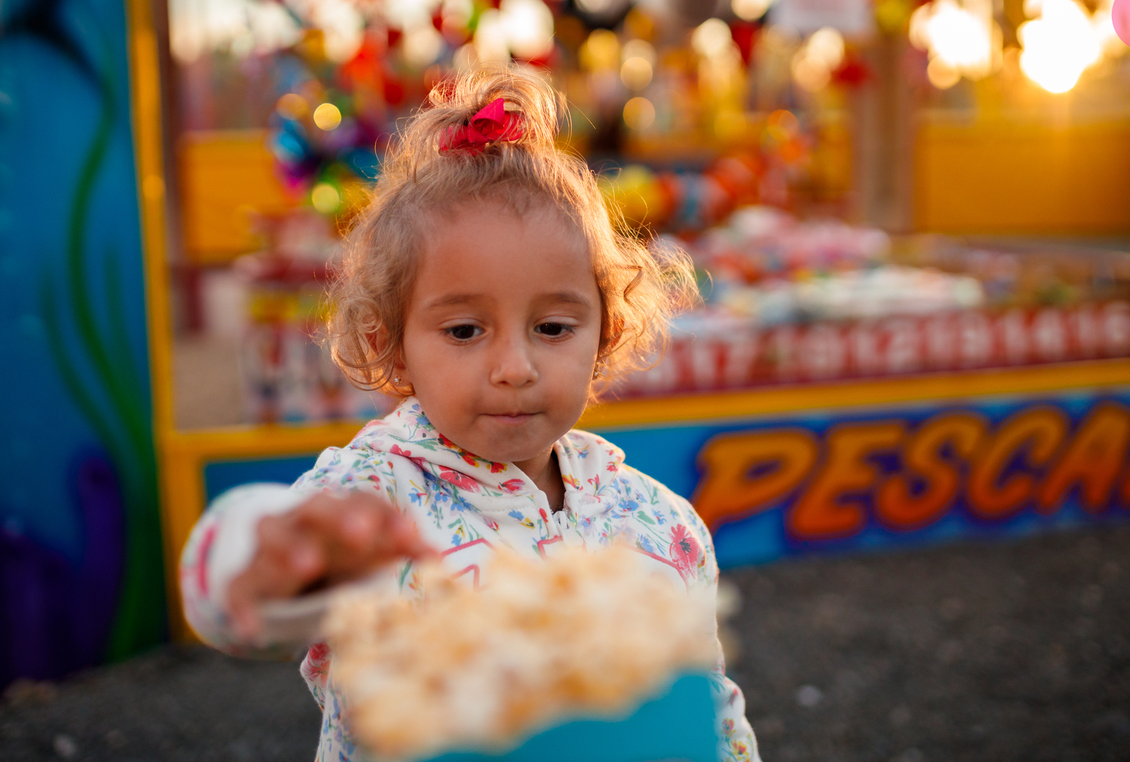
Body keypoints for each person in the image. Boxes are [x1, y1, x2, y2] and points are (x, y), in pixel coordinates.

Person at [180, 63, 760, 762]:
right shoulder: (369, 501)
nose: (515, 366)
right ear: (389, 342)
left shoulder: (660, 521)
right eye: (463, 331)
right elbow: (237, 614)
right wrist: (271, 556)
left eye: (552, 328)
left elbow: (709, 705)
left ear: (606, 332)